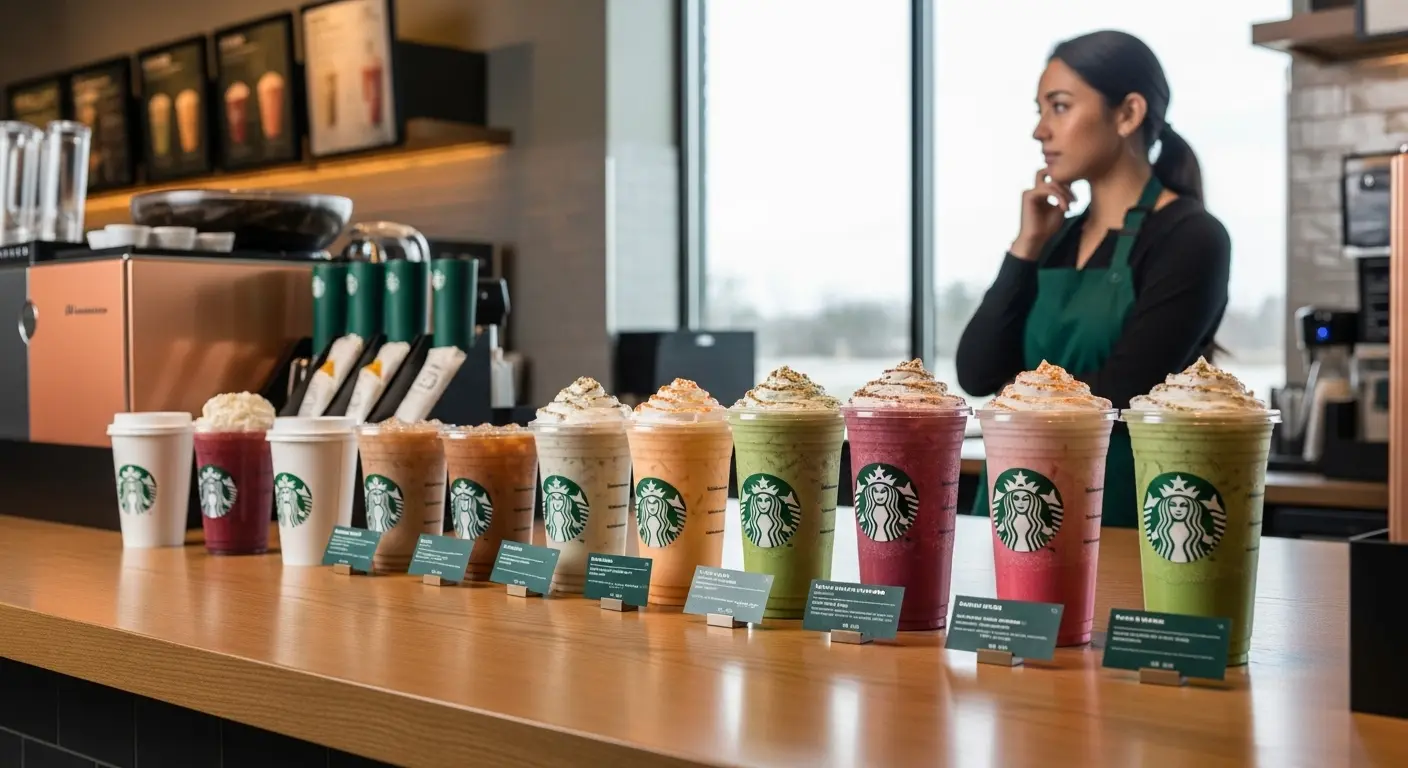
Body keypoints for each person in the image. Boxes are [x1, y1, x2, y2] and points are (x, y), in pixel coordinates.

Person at [955, 29, 1232, 528]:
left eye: (1059, 107)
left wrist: (1014, 398)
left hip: (1116, 511)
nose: (1040, 130)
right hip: (1014, 499)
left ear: (1127, 113)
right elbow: (976, 373)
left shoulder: (1192, 239)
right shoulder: (1055, 239)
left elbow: (1124, 388)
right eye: (1040, 110)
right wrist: (1026, 247)